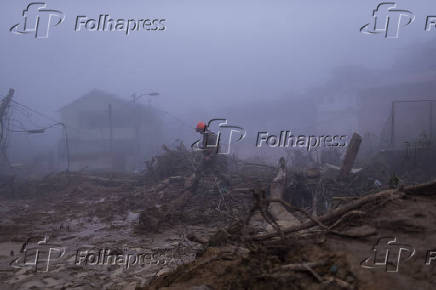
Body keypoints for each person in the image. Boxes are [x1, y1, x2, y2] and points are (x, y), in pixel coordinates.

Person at [189, 121, 230, 193]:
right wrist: (201, 147)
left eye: (199, 130)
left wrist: (210, 156)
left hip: (213, 158)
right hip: (206, 157)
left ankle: (227, 183)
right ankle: (194, 188)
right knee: (198, 170)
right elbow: (207, 147)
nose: (199, 132)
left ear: (203, 129)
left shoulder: (212, 136)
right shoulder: (205, 135)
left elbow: (216, 148)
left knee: (217, 172)